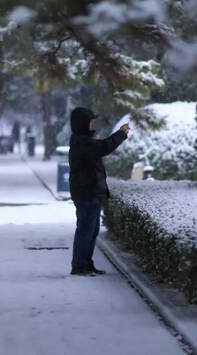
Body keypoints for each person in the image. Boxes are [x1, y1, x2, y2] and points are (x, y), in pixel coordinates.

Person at [69, 107, 130, 276]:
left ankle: (86, 264)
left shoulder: (84, 141)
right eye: (90, 121)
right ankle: (79, 266)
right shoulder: (82, 142)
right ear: (82, 123)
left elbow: (100, 147)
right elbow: (104, 147)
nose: (92, 124)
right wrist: (121, 134)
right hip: (86, 194)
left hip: (92, 193)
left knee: (91, 230)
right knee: (85, 230)